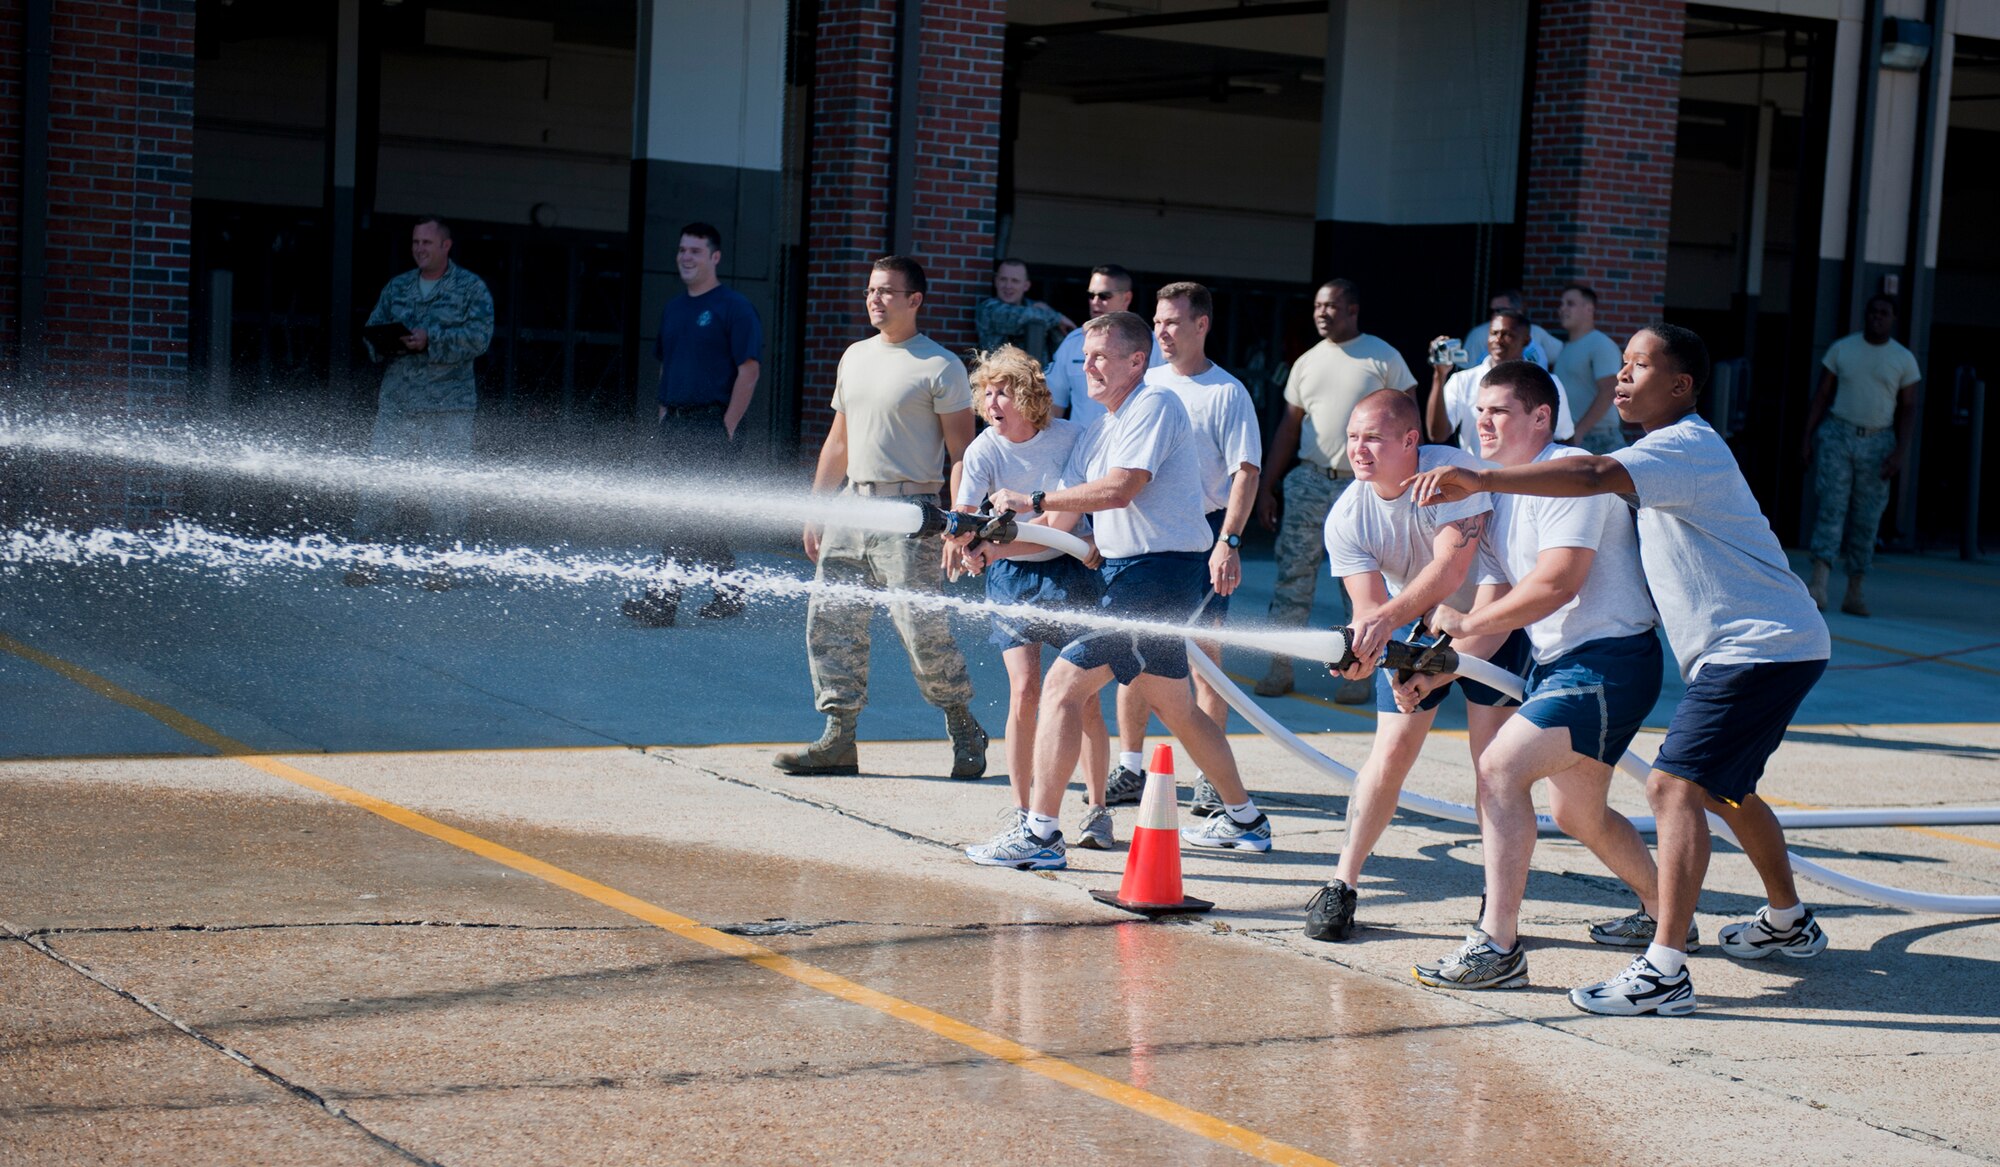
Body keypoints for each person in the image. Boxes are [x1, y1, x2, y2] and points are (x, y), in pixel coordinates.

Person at [1406, 323, 1833, 1018]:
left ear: (1682, 385)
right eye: (1623, 365)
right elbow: (1496, 593)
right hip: (1753, 646)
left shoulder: (1682, 446)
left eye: (1638, 366)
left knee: (1669, 785)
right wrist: (1442, 660)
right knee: (1717, 793)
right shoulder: (1636, 459)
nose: (1623, 377)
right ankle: (1787, 918)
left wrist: (1477, 474)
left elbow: (1590, 484)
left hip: (1757, 643)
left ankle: (1662, 968)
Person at [962, 311, 1274, 868]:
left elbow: (1121, 489)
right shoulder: (1101, 428)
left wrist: (1031, 501)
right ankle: (1245, 820)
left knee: (1061, 688)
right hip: (1126, 575)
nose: (1089, 366)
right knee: (1175, 705)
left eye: (1102, 356)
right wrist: (997, 545)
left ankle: (1040, 836)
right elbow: (1065, 522)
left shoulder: (1154, 406)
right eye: (1085, 356)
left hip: (1158, 575)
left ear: (1138, 360)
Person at [1404, 360, 1671, 991]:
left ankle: (1498, 946)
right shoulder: (1502, 493)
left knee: (1499, 768)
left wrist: (1465, 627)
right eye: (1479, 410)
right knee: (1578, 814)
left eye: (1499, 411)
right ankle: (1670, 912)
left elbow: (1556, 584)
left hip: (1610, 661)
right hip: (1570, 665)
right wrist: (1440, 660)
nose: (1482, 422)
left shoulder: (1574, 476)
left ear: (1541, 418)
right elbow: (1495, 600)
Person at [1298, 388, 1526, 942]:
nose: (1359, 450)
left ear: (1410, 440)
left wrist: (1404, 636)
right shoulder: (1347, 514)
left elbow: (1452, 573)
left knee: (1491, 763)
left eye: (1372, 438)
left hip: (1491, 614)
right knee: (1390, 751)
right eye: (1352, 438)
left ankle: (1496, 902)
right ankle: (1342, 883)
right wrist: (1364, 653)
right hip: (1415, 619)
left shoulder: (1451, 477)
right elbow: (1368, 609)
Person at [777, 255, 989, 779]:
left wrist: (960, 519)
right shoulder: (855, 357)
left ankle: (963, 724)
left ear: (914, 300)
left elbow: (964, 452)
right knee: (831, 623)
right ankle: (838, 737)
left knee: (920, 629)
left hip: (911, 511)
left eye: (887, 292)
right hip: (852, 505)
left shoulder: (940, 366)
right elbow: (839, 442)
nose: (875, 299)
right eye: (872, 290)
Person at [949, 346, 1115, 851]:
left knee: (1081, 697)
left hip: (1070, 569)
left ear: (1028, 396)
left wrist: (992, 550)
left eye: (1003, 391)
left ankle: (1097, 810)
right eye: (986, 392)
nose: (993, 401)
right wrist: (964, 544)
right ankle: (1025, 814)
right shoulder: (984, 449)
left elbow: (1060, 524)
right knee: (1025, 690)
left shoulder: (1070, 438)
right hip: (1013, 577)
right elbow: (964, 517)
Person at [1109, 282, 1261, 816]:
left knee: (1203, 657)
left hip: (1206, 534)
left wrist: (1229, 543)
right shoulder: (1142, 384)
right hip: (1145, 534)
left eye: (1174, 322)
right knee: (1132, 649)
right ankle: (1129, 767)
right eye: (1158, 321)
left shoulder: (1227, 393)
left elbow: (1245, 473)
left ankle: (1209, 780)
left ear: (1202, 325)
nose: (1162, 332)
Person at [1253, 278, 1418, 702]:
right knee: (1293, 578)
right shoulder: (1306, 361)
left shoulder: (1384, 358)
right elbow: (1290, 428)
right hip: (1310, 481)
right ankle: (1280, 666)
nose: (1321, 313)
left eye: (1330, 306)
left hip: (1363, 487)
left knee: (1362, 586)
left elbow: (1410, 424)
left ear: (1352, 310)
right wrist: (1267, 486)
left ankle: (1361, 671)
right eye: (1317, 307)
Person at [621, 222, 761, 627]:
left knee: (685, 516)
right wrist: (664, 415)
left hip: (710, 426)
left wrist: (728, 427)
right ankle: (730, 591)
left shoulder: (734, 307)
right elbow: (666, 363)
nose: (686, 257)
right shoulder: (674, 308)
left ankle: (661, 601)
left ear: (714, 257)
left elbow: (748, 371)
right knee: (695, 518)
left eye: (695, 251)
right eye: (682, 249)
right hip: (676, 425)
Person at [346, 216, 494, 591]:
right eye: (415, 242)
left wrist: (433, 339)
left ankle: (441, 566)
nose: (419, 249)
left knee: (445, 491)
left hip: (448, 406)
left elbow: (480, 338)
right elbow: (371, 332)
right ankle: (366, 559)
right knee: (379, 483)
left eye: (427, 242)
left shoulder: (470, 288)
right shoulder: (398, 288)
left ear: (446, 246)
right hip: (398, 404)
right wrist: (389, 342)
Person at [1799, 294, 1922, 616]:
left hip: (1878, 439)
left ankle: (1855, 589)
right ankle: (1819, 584)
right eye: (1873, 312)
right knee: (1831, 508)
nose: (1877, 318)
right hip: (1839, 435)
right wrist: (1807, 438)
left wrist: (1900, 452)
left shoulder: (1903, 358)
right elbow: (1823, 394)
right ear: (1865, 316)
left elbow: (1909, 408)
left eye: (1884, 313)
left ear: (1893, 318)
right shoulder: (1843, 349)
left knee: (1867, 518)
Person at [1427, 308, 1575, 459]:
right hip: (1476, 479)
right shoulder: (1462, 380)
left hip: (1528, 479)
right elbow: (1437, 435)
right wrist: (1439, 376)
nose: (1498, 340)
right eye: (1494, 333)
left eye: (1507, 335)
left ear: (1526, 340)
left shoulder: (1548, 383)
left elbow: (1565, 437)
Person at [1045, 265, 1163, 429]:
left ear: (1126, 298)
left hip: (1130, 445)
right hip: (1081, 449)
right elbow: (1053, 406)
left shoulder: (1152, 346)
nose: (1095, 302)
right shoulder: (1072, 343)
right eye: (1091, 295)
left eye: (1104, 296)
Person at [1552, 283, 1625, 454]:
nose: (1562, 309)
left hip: (1599, 440)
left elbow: (1609, 390)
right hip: (1573, 439)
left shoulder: (1600, 344)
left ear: (1589, 309)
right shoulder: (1566, 348)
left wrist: (1579, 433)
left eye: (1570, 303)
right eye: (1561, 304)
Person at [975, 258, 1075, 366]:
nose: (1008, 286)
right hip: (997, 377)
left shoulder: (1040, 310)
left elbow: (1060, 347)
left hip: (1036, 378)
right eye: (1003, 279)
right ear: (996, 281)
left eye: (1015, 281)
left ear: (1026, 285)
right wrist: (1057, 317)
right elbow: (1018, 318)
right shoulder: (988, 309)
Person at [1461, 289, 1561, 371]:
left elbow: (1562, 356)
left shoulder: (1536, 332)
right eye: (1494, 333)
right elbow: (1467, 369)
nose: (1498, 340)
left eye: (1500, 310)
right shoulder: (1478, 334)